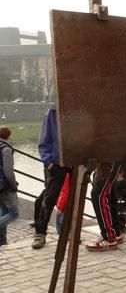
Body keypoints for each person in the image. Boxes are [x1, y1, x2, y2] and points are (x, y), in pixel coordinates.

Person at [32, 105, 69, 249]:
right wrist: (49, 163)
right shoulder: (52, 113)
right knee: (49, 198)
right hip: (55, 163)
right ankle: (40, 233)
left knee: (73, 199)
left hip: (73, 163)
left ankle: (68, 232)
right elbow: (44, 141)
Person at [87, 162, 123, 252]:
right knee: (109, 194)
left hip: (109, 160)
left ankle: (108, 238)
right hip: (109, 159)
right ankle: (115, 232)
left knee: (98, 196)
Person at [0, 126, 19, 246]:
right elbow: (8, 171)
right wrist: (14, 185)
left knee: (3, 212)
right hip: (5, 186)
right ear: (8, 136)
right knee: (14, 213)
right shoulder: (6, 149)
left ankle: (2, 241)